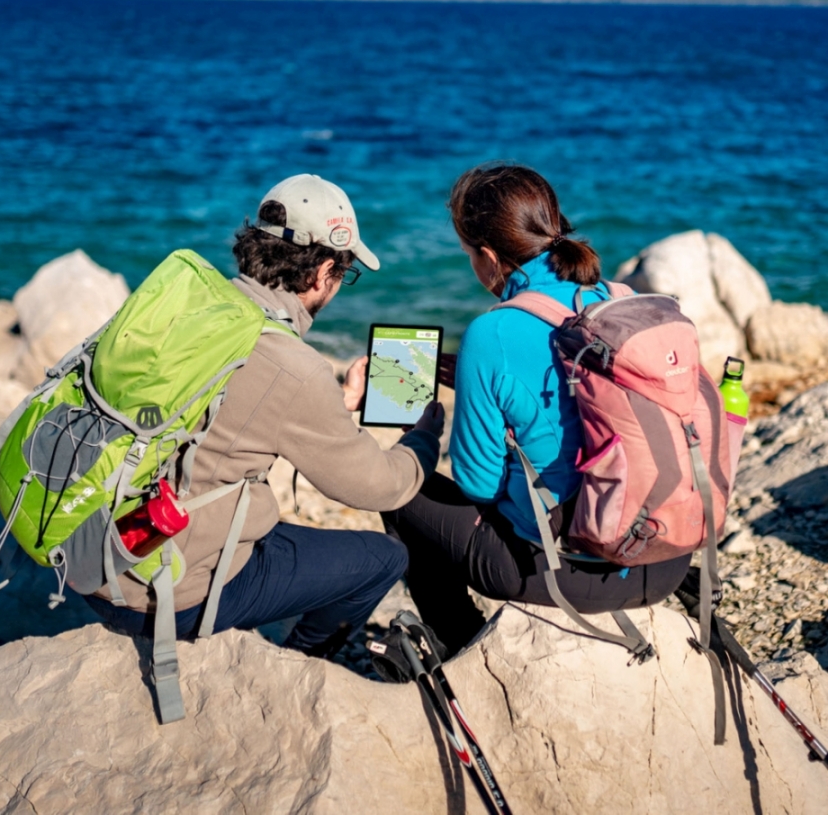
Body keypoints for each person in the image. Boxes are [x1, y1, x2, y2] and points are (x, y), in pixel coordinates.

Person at [85, 174, 445, 657]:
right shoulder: (292, 367)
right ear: (321, 272)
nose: (339, 285)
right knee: (383, 559)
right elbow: (379, 487)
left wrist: (338, 404)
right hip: (166, 593)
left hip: (96, 556)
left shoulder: (197, 309)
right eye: (345, 272)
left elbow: (231, 411)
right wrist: (424, 437)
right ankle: (306, 662)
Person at [381, 164, 690, 656]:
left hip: (574, 574)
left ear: (487, 257)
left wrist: (434, 426)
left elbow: (477, 484)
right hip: (667, 555)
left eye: (468, 255)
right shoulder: (619, 300)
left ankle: (460, 644)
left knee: (399, 492)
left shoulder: (492, 332)